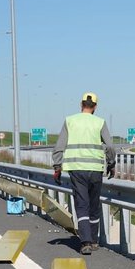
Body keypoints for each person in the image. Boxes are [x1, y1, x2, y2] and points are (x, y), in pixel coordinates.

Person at [52, 92, 116, 255]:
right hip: (95, 170)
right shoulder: (99, 122)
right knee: (94, 205)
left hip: (76, 169)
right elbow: (109, 146)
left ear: (81, 105)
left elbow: (60, 146)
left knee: (82, 205)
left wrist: (57, 166)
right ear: (95, 107)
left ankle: (85, 242)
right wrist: (111, 164)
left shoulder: (70, 121)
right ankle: (94, 240)